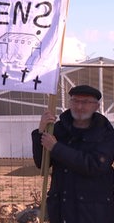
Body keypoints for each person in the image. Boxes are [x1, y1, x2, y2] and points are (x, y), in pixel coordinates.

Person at [32, 85, 114, 222]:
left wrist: (57, 148)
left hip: (95, 209)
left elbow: (95, 165)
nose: (79, 106)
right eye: (75, 101)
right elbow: (42, 163)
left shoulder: (106, 133)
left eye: (86, 102)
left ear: (96, 106)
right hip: (62, 207)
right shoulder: (58, 128)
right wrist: (41, 131)